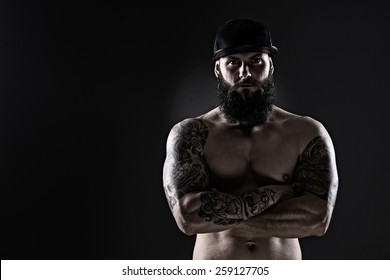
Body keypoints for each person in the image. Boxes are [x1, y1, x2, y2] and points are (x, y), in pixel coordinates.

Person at [162, 17, 339, 260]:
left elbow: (317, 219)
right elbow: (188, 218)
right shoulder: (191, 135)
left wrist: (218, 214)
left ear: (271, 66)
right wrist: (276, 194)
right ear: (217, 69)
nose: (245, 73)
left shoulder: (306, 133)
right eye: (233, 63)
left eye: (256, 61)